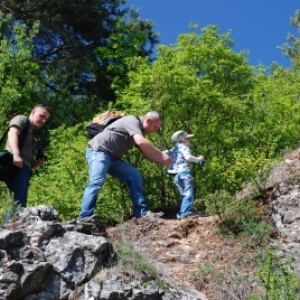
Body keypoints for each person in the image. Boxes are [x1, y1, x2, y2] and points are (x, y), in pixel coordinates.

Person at [78, 111, 171, 220]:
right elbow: (140, 142)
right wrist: (161, 154)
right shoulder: (132, 120)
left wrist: (165, 160)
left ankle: (142, 213)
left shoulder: (139, 131)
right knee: (96, 181)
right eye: (155, 127)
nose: (155, 130)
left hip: (113, 158)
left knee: (134, 175)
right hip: (98, 151)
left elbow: (146, 154)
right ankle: (84, 217)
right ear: (148, 121)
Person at [5, 103, 51, 207]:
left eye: (46, 119)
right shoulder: (22, 119)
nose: (43, 120)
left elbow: (27, 161)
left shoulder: (32, 134)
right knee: (19, 202)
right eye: (42, 116)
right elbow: (12, 133)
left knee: (17, 201)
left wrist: (36, 164)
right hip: (15, 163)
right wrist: (16, 155)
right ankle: (14, 223)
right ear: (33, 112)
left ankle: (10, 223)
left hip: (22, 167)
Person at [164, 130, 205, 219]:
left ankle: (183, 213)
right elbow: (188, 157)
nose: (189, 140)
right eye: (188, 138)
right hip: (184, 173)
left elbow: (163, 154)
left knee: (184, 194)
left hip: (176, 175)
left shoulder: (174, 149)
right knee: (188, 194)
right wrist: (199, 159)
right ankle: (184, 214)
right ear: (183, 140)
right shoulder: (183, 147)